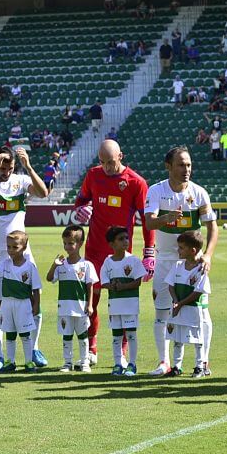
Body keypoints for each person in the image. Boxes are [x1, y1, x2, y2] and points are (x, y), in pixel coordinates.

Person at [72, 140, 155, 366]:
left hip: (121, 254)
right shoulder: (93, 175)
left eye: (110, 162)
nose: (106, 167)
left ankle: (123, 352)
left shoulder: (136, 183)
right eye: (102, 162)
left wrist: (149, 252)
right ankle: (91, 347)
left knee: (122, 303)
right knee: (91, 299)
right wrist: (79, 210)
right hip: (95, 249)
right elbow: (81, 200)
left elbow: (147, 220)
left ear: (121, 156)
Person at [0, 146, 49, 370]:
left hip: (21, 251)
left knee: (33, 296)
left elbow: (43, 193)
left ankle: (33, 349)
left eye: (10, 168)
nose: (6, 172)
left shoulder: (21, 180)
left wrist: (29, 167)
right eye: (3, 167)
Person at [144, 146, 219, 376]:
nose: (186, 169)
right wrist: (167, 218)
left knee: (201, 312)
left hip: (193, 264)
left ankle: (203, 362)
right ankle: (164, 362)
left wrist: (207, 255)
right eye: (181, 165)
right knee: (162, 312)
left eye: (188, 165)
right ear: (168, 166)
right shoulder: (156, 191)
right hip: (165, 261)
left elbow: (212, 228)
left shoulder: (199, 193)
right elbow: (149, 222)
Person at [46, 225, 98, 373]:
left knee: (82, 336)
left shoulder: (86, 265)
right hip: (64, 307)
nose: (67, 246)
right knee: (66, 336)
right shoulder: (61, 264)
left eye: (70, 243)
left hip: (81, 307)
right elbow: (49, 278)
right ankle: (67, 363)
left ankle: (84, 362)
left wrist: (90, 304)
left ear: (80, 243)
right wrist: (53, 265)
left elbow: (90, 286)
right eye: (65, 243)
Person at [0, 231, 41, 373]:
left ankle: (29, 362)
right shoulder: (5, 263)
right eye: (8, 247)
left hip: (23, 304)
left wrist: (36, 305)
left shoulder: (30, 266)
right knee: (9, 333)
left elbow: (36, 288)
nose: (10, 250)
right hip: (7, 304)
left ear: (24, 247)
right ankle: (10, 362)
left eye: (14, 247)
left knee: (25, 334)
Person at [99, 226, 147, 376]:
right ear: (112, 244)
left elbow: (138, 282)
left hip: (130, 304)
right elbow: (103, 282)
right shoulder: (108, 262)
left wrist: (123, 286)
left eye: (127, 238)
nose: (126, 241)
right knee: (116, 336)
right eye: (121, 239)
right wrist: (112, 286)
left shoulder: (133, 260)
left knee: (131, 335)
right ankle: (118, 364)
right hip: (115, 305)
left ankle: (132, 364)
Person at [163, 230, 212, 378]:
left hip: (192, 309)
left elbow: (198, 292)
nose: (178, 250)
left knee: (197, 338)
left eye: (181, 248)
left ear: (193, 250)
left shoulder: (201, 269)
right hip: (178, 307)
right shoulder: (177, 265)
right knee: (177, 338)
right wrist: (176, 301)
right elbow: (170, 285)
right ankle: (177, 366)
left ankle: (199, 366)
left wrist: (181, 303)